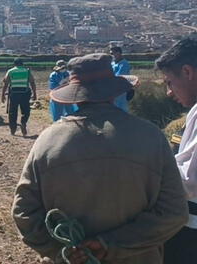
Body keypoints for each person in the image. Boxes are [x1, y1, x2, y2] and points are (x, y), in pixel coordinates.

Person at [12, 53, 188, 264]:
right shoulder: (151, 137)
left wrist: (62, 251)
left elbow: (24, 212)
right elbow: (174, 213)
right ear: (114, 93)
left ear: (75, 93)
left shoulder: (48, 141)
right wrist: (109, 243)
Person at [155, 34, 197, 264]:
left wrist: (149, 172)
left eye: (169, 82)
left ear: (188, 72)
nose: (169, 92)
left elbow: (190, 181)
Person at [1, 58, 37, 136]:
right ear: (22, 64)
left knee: (12, 112)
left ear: (14, 64)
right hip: (25, 94)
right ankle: (23, 122)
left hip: (14, 94)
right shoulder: (27, 71)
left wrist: (3, 95)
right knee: (26, 110)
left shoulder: (10, 71)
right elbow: (32, 82)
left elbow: (5, 83)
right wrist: (34, 93)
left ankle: (13, 129)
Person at [110, 46, 132, 112]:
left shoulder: (124, 64)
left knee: (121, 106)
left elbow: (119, 76)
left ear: (119, 53)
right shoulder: (112, 63)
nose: (112, 55)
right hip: (113, 89)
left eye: (113, 53)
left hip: (121, 88)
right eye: (111, 54)